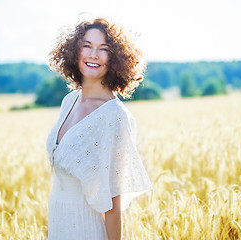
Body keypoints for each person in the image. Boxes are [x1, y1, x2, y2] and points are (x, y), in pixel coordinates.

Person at [46, 18, 152, 240]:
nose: (93, 54)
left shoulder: (114, 116)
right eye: (87, 45)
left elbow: (113, 203)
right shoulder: (69, 101)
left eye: (103, 49)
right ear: (75, 51)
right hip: (59, 226)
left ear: (115, 59)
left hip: (87, 230)